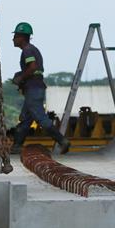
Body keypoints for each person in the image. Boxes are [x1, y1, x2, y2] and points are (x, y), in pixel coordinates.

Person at [10, 22, 71, 154]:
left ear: (22, 37)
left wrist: (21, 78)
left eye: (15, 36)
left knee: (40, 118)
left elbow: (33, 67)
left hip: (33, 88)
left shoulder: (27, 50)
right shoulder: (30, 49)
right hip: (33, 87)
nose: (13, 39)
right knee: (26, 118)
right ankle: (17, 145)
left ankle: (62, 140)